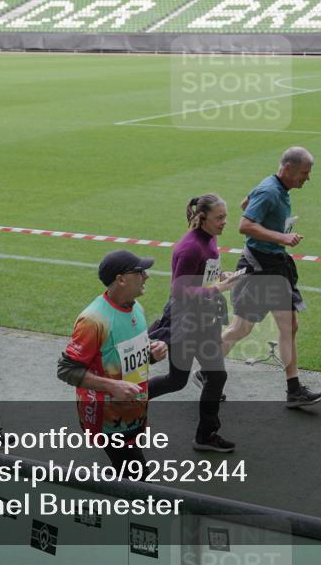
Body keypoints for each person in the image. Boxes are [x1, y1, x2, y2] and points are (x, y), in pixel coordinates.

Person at [210, 147, 321, 408]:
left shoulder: (276, 187)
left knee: (289, 326)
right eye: (304, 173)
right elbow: (244, 224)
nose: (306, 179)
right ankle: (209, 372)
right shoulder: (270, 190)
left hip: (275, 265)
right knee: (242, 328)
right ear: (287, 169)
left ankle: (293, 389)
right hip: (260, 268)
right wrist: (282, 237)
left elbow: (246, 204)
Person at [57, 250, 168, 470]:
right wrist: (112, 386)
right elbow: (66, 370)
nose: (146, 276)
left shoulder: (136, 307)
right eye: (139, 272)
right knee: (137, 475)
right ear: (121, 279)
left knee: (125, 470)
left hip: (132, 411)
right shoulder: (93, 320)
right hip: (107, 417)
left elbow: (122, 359)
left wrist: (151, 355)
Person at [147, 194, 240, 453]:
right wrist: (220, 286)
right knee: (176, 381)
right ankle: (128, 400)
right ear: (202, 218)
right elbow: (180, 292)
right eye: (219, 217)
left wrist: (222, 275)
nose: (224, 222)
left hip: (204, 319)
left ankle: (206, 435)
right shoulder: (190, 248)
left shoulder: (209, 238)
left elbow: (205, 272)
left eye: (225, 216)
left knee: (217, 375)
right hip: (185, 320)